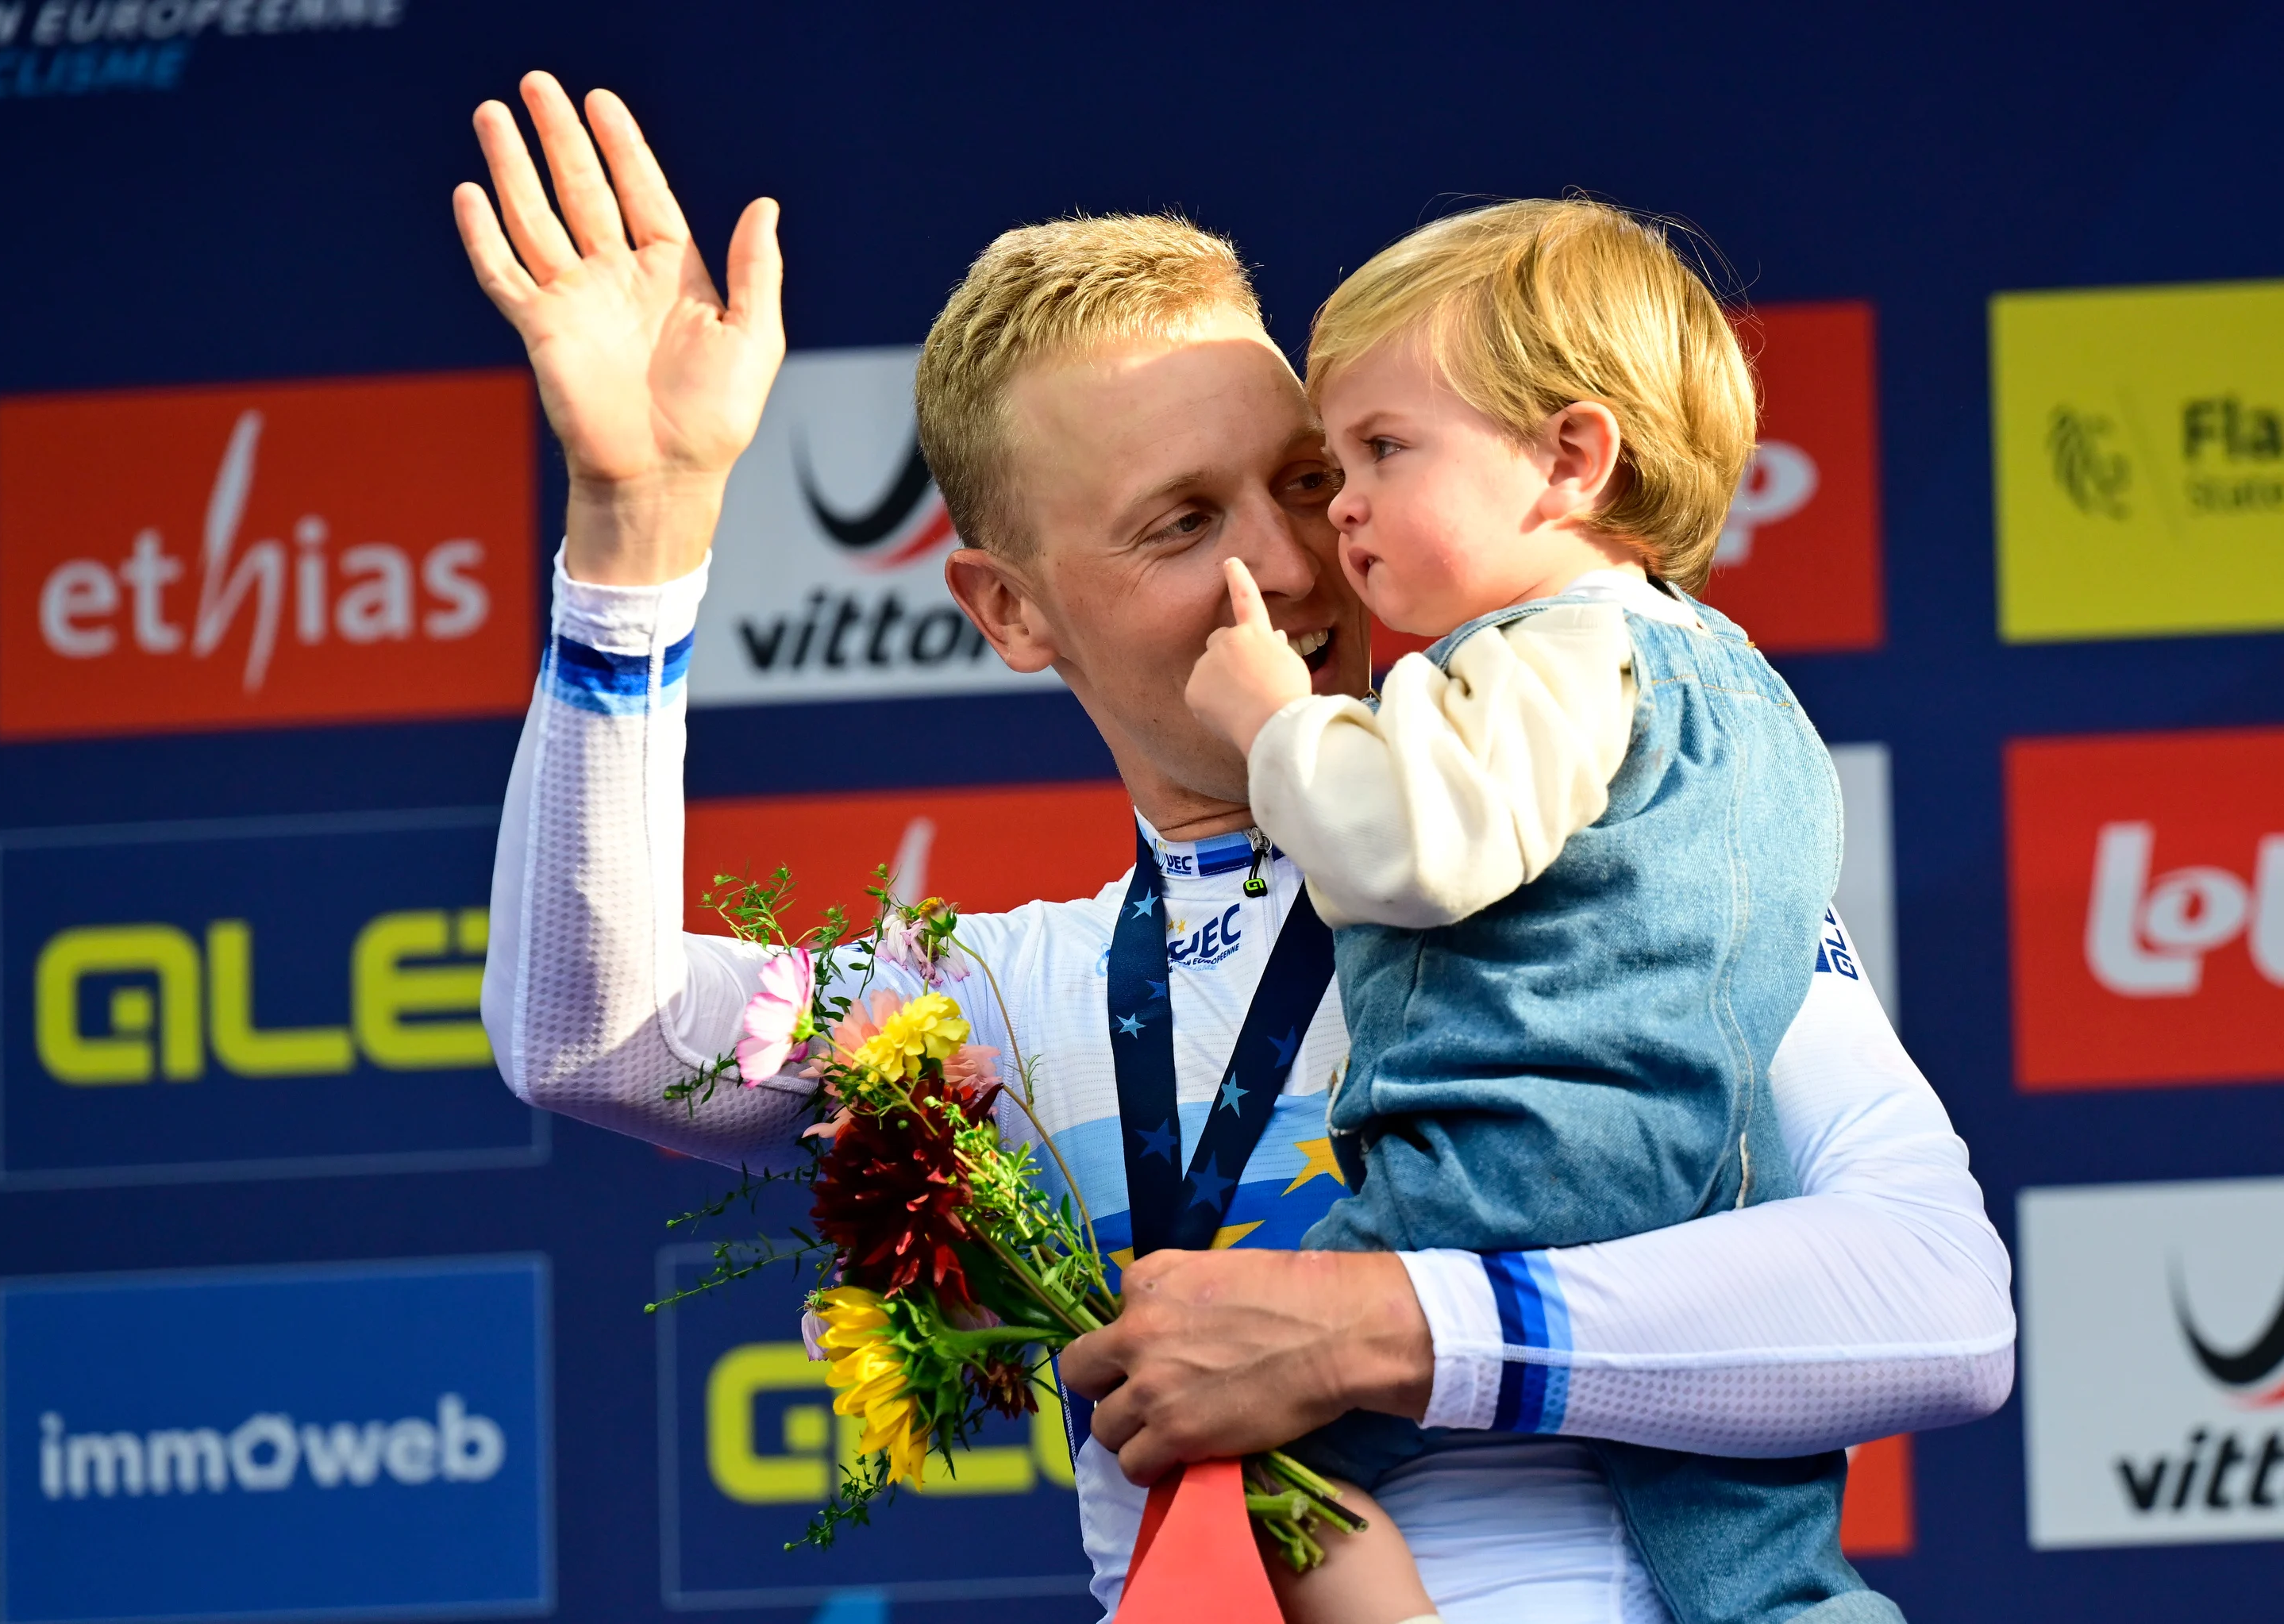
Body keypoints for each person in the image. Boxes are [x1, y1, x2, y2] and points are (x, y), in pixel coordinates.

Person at [453, 72, 2014, 1623]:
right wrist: (634, 529)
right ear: (1009, 611)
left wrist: (1373, 1332)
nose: (1289, 562)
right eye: (1180, 524)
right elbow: (590, 1035)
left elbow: (1939, 1308)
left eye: (1312, 480)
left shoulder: (1597, 851)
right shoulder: (1001, 1000)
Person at [1184, 199, 1882, 1624]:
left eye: (1383, 449)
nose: (1345, 505)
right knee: (1746, 1553)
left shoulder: (1547, 652)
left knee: (1233, 1420)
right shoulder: (1745, 687)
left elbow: (1415, 844)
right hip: (1708, 1218)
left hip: (1503, 1182)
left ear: (1570, 459)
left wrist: (1278, 728)